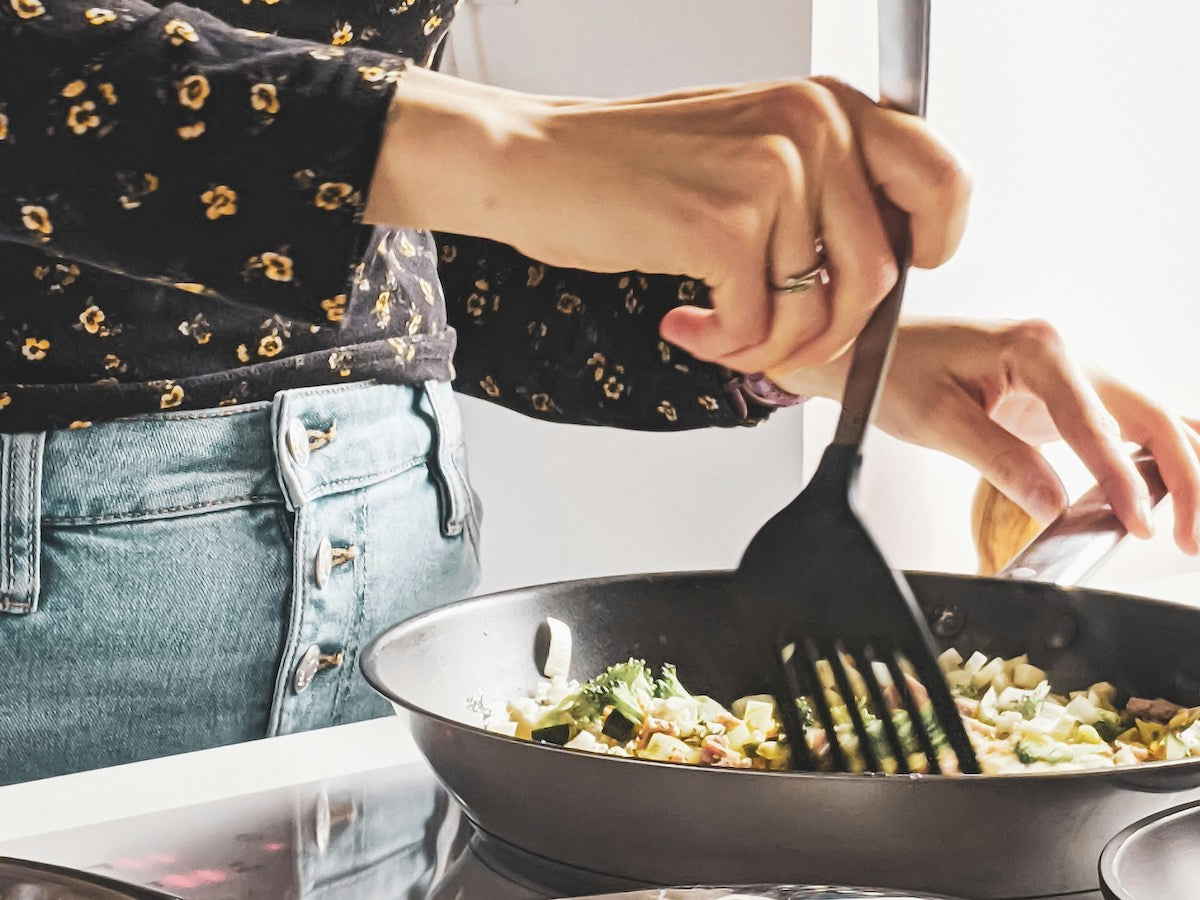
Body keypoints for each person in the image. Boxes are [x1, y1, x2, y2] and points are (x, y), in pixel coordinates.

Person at [0, 0, 1195, 785]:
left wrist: (784, 343)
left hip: (390, 561)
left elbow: (364, 238)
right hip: (44, 596)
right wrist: (517, 146)